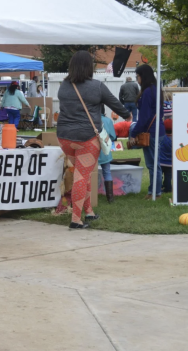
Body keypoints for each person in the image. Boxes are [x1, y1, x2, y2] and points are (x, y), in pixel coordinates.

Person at [57, 50, 131, 229]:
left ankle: (88, 211)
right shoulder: (97, 86)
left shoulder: (63, 86)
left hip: (65, 138)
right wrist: (127, 115)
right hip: (87, 139)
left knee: (83, 173)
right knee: (81, 176)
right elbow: (115, 104)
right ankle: (76, 219)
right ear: (89, 67)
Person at [129, 64, 165, 200]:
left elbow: (143, 117)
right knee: (155, 164)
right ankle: (153, 191)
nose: (137, 79)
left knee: (152, 164)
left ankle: (155, 193)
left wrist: (133, 134)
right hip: (158, 130)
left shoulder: (148, 92)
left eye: (137, 76)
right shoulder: (156, 89)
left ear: (142, 76)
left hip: (151, 132)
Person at [99, 105, 117, 203]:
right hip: (105, 150)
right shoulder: (108, 121)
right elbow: (113, 136)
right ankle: (110, 199)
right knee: (107, 172)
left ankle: (89, 198)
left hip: (92, 151)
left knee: (89, 175)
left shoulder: (89, 119)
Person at [159, 124, 173, 194]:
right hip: (170, 163)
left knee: (159, 175)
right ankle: (168, 188)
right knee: (168, 176)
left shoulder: (162, 138)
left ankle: (159, 188)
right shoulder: (175, 139)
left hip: (161, 161)